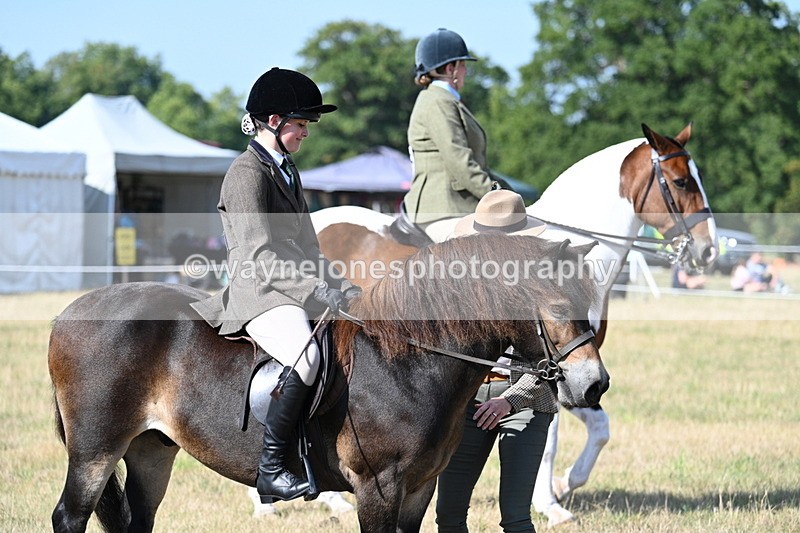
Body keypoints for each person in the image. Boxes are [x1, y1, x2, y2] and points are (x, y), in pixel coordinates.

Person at [190, 67, 359, 504]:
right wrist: (313, 292)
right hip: (259, 291)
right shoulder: (246, 174)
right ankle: (271, 469)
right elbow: (259, 255)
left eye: (305, 125)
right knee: (305, 361)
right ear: (273, 121)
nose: (305, 133)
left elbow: (309, 247)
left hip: (292, 286)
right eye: (300, 124)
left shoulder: (287, 170)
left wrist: (340, 284)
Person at [436, 190, 552, 533]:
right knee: (448, 514)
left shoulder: (544, 285)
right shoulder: (461, 285)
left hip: (526, 401)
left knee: (516, 518)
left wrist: (509, 401)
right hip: (469, 403)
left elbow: (556, 359)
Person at [404, 28, 503, 243]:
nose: (466, 71)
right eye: (464, 65)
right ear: (451, 69)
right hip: (442, 207)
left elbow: (477, 164)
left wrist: (510, 193)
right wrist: (496, 193)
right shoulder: (437, 102)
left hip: (458, 204)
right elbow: (459, 160)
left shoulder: (446, 101)